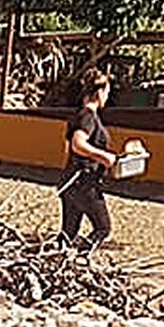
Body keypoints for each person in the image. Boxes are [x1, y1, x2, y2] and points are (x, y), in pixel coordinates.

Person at [60, 67, 115, 248]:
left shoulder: (79, 115)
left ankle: (57, 262)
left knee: (68, 233)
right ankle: (82, 258)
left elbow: (68, 149)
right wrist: (103, 156)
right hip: (84, 182)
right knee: (103, 228)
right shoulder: (88, 117)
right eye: (107, 92)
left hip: (70, 180)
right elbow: (78, 143)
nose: (107, 97)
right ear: (99, 92)